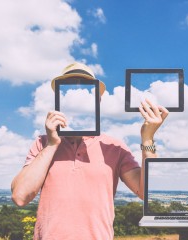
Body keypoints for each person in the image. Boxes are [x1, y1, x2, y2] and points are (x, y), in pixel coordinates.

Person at [11, 62, 169, 240]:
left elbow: (145, 192)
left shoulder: (114, 147)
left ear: (98, 101)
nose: (78, 97)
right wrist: (52, 144)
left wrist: (147, 138)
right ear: (59, 99)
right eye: (69, 90)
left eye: (86, 91)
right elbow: (20, 196)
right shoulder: (42, 143)